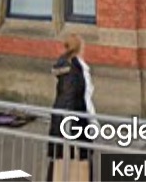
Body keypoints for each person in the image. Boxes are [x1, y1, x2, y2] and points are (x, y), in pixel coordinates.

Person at [46, 33, 96, 181]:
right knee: (78, 162)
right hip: (74, 123)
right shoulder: (75, 70)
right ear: (79, 49)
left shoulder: (67, 66)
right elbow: (75, 98)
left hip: (63, 122)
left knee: (59, 160)